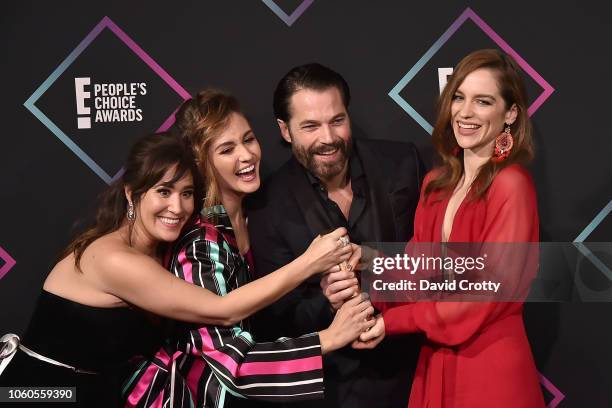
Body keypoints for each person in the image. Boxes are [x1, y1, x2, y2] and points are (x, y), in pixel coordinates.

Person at [0, 133, 367, 407]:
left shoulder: (163, 251)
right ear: (132, 194)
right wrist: (307, 263)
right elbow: (225, 311)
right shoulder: (113, 259)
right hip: (39, 392)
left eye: (187, 193)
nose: (176, 206)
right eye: (163, 191)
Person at [122, 90, 375, 408]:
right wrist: (329, 338)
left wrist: (330, 293)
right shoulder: (199, 243)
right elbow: (227, 365)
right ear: (201, 161)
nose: (247, 156)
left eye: (249, 140)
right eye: (227, 149)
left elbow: (272, 318)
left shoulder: (258, 213)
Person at [332, 49, 546, 407]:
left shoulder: (512, 184)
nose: (465, 112)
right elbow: (419, 277)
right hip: (436, 362)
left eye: (483, 101)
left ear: (510, 113)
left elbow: (486, 292)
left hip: (490, 369)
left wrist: (394, 323)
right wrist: (368, 264)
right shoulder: (436, 185)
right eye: (459, 97)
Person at [247, 63, 424, 408]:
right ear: (285, 131)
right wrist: (324, 303)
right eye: (310, 126)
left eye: (337, 121)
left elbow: (446, 267)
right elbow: (272, 322)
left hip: (416, 377)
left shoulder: (403, 163)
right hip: (336, 391)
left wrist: (377, 263)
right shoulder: (267, 206)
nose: (328, 138)